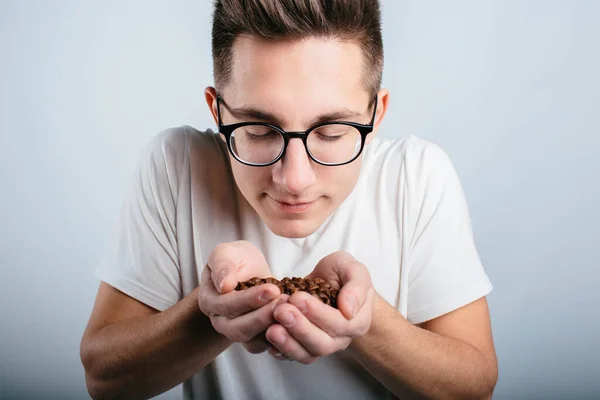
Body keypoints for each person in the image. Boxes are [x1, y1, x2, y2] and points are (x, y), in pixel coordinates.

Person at [80, 1, 498, 399]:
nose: (294, 179)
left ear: (376, 116)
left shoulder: (416, 175)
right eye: (259, 130)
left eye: (332, 132)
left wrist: (365, 321)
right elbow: (103, 378)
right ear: (218, 113)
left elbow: (475, 388)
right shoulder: (178, 164)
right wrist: (210, 313)